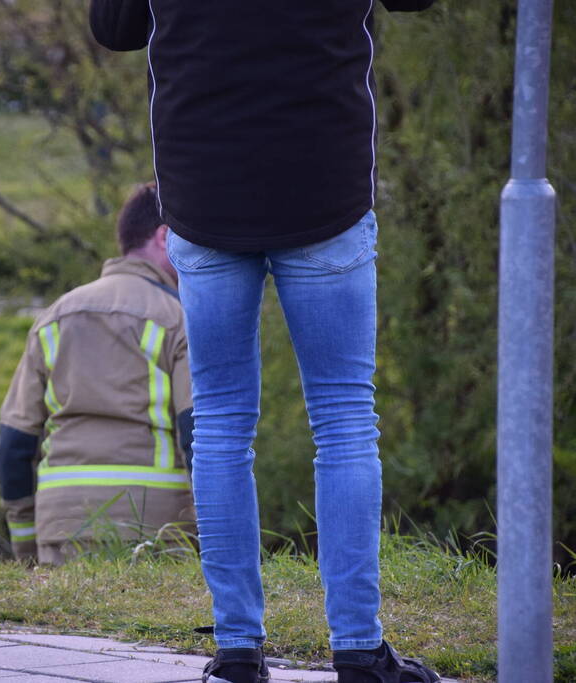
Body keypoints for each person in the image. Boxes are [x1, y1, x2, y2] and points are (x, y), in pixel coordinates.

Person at [89, 3, 440, 683]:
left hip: (204, 191)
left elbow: (115, 28)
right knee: (343, 420)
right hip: (323, 187)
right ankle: (358, 650)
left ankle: (237, 654)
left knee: (221, 422)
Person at [0, 182, 195, 566]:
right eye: (193, 242)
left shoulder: (54, 317)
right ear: (164, 237)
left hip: (60, 527)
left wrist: (26, 548)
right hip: (157, 528)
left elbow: (13, 446)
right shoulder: (178, 318)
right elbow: (199, 436)